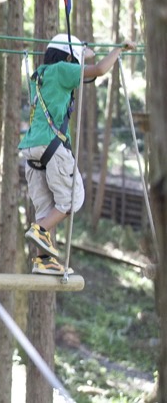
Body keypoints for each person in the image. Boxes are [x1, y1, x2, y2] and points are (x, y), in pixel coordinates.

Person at [20, 34, 136, 275]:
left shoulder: (40, 74)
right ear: (69, 58)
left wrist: (81, 50)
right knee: (73, 198)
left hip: (32, 150)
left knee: (47, 207)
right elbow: (100, 69)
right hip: (52, 146)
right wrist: (118, 50)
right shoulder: (63, 70)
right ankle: (40, 229)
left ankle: (44, 260)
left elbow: (87, 59)